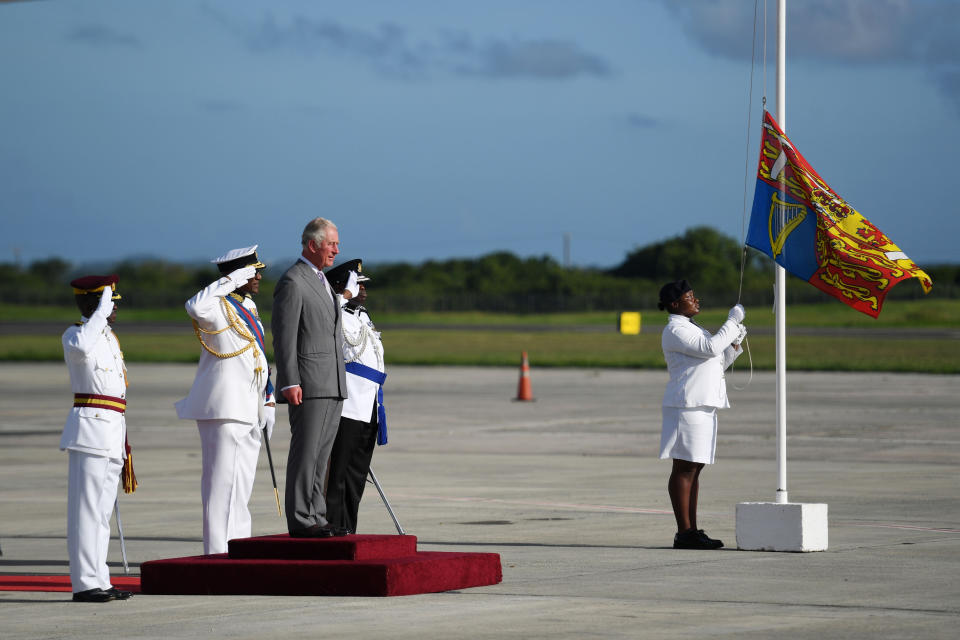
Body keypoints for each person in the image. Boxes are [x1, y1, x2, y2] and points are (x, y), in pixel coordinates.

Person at [175, 246, 275, 555]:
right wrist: (231, 280)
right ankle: (216, 554)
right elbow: (195, 306)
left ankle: (238, 550)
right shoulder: (216, 305)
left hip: (249, 407)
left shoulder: (249, 307)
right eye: (252, 271)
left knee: (241, 487)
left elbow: (256, 356)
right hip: (224, 407)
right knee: (220, 486)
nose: (258, 276)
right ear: (238, 275)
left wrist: (267, 401)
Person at [60, 275, 135, 602]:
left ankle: (99, 579)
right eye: (108, 301)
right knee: (86, 512)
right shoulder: (77, 334)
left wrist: (102, 317)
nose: (114, 307)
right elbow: (80, 349)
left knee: (102, 512)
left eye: (114, 302)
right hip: (89, 432)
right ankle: (84, 583)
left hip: (112, 431)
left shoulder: (106, 337)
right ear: (91, 302)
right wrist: (100, 313)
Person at [657, 280, 747, 550]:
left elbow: (715, 362)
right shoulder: (675, 329)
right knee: (685, 468)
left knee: (695, 467)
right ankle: (684, 532)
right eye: (690, 297)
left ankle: (692, 530)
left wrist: (732, 344)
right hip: (687, 406)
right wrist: (732, 321)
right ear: (675, 305)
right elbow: (709, 348)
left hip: (703, 405)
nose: (696, 300)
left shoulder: (692, 329)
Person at [272, 218, 348, 538]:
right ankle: (302, 519)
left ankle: (317, 515)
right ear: (313, 245)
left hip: (331, 381)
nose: (336, 249)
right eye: (331, 243)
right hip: (309, 383)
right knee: (306, 453)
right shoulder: (294, 280)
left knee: (322, 455)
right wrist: (290, 381)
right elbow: (284, 336)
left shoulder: (321, 280)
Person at [325, 259, 387, 535]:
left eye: (362, 284)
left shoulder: (361, 316)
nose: (363, 290)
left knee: (357, 474)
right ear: (341, 287)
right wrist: (341, 296)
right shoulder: (333, 313)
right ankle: (333, 526)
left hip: (369, 406)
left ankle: (348, 528)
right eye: (357, 284)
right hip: (347, 406)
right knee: (337, 473)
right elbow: (320, 315)